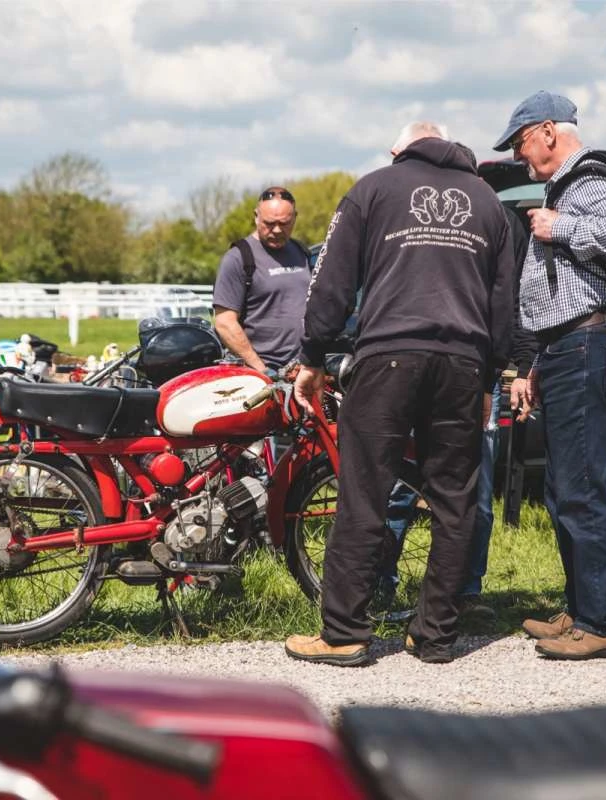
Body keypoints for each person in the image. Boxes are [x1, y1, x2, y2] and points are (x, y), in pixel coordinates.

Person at [286, 121, 515, 666]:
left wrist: (313, 356)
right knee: (454, 501)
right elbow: (504, 301)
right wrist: (490, 377)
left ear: (399, 149)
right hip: (463, 363)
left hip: (388, 354)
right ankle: (434, 634)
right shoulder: (489, 203)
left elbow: (331, 281)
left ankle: (344, 634)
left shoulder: (373, 188)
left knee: (364, 492)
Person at [494, 90, 606, 660]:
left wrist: (561, 228)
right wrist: (535, 362)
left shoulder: (587, 179)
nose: (519, 154)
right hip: (566, 349)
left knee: (583, 489)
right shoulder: (569, 184)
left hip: (587, 346)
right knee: (564, 491)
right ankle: (582, 608)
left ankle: (602, 623)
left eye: (520, 142)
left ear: (549, 132)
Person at [382, 140, 534, 622]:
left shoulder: (497, 219)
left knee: (467, 489)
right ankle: (386, 584)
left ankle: (462, 592)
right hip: (437, 367)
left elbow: (512, 301)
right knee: (416, 487)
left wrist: (513, 367)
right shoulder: (410, 215)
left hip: (467, 371)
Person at [212, 187, 312, 373]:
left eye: (284, 223)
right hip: (258, 372)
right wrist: (262, 369)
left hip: (301, 370)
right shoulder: (239, 258)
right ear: (256, 216)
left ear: (295, 217)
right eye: (269, 223)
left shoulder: (301, 252)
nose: (276, 230)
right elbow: (224, 322)